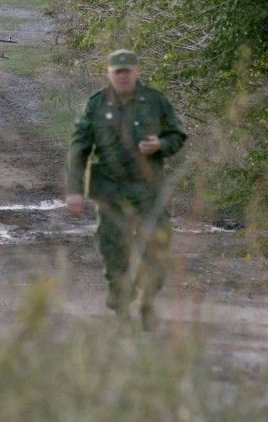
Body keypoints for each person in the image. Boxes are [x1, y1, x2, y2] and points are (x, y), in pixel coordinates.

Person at [66, 50, 187, 331]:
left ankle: (147, 302)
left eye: (127, 71)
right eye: (117, 71)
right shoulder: (97, 105)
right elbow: (79, 148)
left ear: (136, 71)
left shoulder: (155, 102)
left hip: (148, 190)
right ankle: (122, 306)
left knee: (156, 248)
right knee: (114, 250)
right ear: (109, 73)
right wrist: (74, 190)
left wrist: (161, 145)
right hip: (110, 191)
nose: (122, 76)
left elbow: (177, 135)